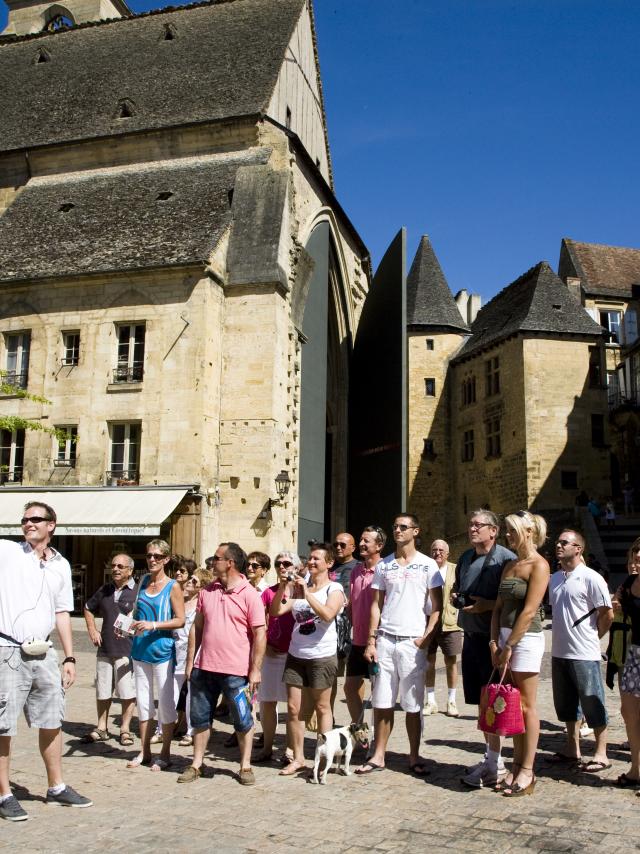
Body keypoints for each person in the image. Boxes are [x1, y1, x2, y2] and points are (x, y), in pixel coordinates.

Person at [0, 501, 92, 821]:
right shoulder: (8, 553)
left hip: (45, 654)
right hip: (9, 651)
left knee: (52, 720)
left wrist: (68, 656)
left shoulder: (61, 566)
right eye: (24, 519)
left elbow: (62, 612)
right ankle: (4, 793)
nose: (28, 524)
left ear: (51, 525)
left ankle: (56, 787)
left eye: (35, 519)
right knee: (3, 725)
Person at [359, 513, 443, 776]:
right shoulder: (384, 566)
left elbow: (437, 607)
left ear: (415, 532)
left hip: (412, 643)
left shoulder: (429, 565)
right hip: (385, 639)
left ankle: (414, 755)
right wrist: (372, 639)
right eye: (395, 526)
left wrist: (426, 638)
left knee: (413, 704)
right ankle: (379, 754)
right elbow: (376, 604)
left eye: (403, 527)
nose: (397, 530)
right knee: (382, 701)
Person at [179, 542, 266, 786]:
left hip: (235, 672)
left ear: (230, 563)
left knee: (242, 719)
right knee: (200, 718)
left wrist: (255, 670)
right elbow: (197, 627)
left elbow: (260, 633)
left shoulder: (249, 594)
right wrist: (190, 662)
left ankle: (245, 765)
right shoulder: (208, 591)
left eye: (217, 558)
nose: (212, 561)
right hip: (204, 667)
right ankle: (197, 763)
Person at [270, 543, 345, 777]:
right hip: (296, 654)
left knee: (322, 707)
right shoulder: (298, 587)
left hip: (321, 655)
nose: (311, 562)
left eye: (317, 559)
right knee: (293, 709)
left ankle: (323, 757)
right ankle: (299, 757)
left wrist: (308, 593)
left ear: (329, 563)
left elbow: (327, 614)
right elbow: (275, 611)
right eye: (310, 558)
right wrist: (284, 587)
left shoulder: (335, 588)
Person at [489, 511, 550, 796]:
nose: (507, 536)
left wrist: (510, 645)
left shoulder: (539, 565)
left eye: (512, 531)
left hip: (524, 639)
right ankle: (515, 765)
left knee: (526, 705)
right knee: (512, 705)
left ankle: (527, 769)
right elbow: (499, 606)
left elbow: (529, 610)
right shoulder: (511, 564)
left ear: (528, 532)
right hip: (503, 638)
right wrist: (493, 641)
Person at [456, 509, 516, 788]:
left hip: (493, 639)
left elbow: (513, 602)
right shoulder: (466, 557)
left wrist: (486, 606)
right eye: (470, 524)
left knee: (495, 701)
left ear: (493, 530)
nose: (472, 529)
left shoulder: (506, 559)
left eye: (478, 525)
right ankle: (492, 759)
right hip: (470, 635)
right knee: (482, 704)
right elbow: (461, 589)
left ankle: (498, 763)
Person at [549, 529, 613, 770]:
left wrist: (594, 637)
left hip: (584, 653)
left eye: (565, 542)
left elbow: (606, 614)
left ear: (578, 548)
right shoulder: (554, 578)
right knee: (566, 706)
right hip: (559, 652)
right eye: (558, 541)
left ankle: (601, 752)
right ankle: (572, 748)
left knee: (592, 701)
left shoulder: (592, 578)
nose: (559, 545)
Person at [127, 539, 185, 771]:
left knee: (165, 701)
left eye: (158, 556)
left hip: (162, 650)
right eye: (149, 555)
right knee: (142, 701)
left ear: (166, 559)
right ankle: (145, 751)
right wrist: (127, 626)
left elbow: (179, 620)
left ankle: (165, 752)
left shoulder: (173, 586)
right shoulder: (142, 581)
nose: (152, 560)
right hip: (139, 650)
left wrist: (153, 625)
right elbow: (136, 613)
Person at [83, 553, 138, 746]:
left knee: (126, 692)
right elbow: (88, 607)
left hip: (127, 650)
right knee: (103, 690)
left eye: (120, 566)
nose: (115, 569)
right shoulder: (105, 589)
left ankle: (125, 729)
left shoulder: (138, 592)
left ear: (130, 570)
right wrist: (92, 629)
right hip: (105, 648)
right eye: (113, 565)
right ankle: (102, 727)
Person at [254, 551, 300, 764]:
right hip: (272, 653)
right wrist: (264, 648)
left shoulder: (301, 591)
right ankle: (266, 746)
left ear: (296, 567)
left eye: (287, 563)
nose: (282, 566)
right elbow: (260, 622)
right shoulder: (268, 592)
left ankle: (291, 748)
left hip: (295, 654)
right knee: (267, 702)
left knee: (293, 706)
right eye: (278, 563)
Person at [343, 526, 386, 724]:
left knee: (379, 693)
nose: (361, 543)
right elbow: (352, 603)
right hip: (357, 639)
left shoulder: (385, 570)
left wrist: (375, 637)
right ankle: (359, 728)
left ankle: (378, 736)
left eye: (366, 540)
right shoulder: (356, 571)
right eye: (361, 539)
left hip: (378, 641)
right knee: (350, 687)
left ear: (379, 545)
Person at [174, 567, 213, 747]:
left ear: (202, 587)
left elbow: (197, 631)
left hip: (192, 653)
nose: (190, 582)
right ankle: (166, 726)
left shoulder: (201, 604)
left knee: (191, 694)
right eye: (190, 579)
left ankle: (191, 731)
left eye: (195, 581)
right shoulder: (179, 600)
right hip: (175, 651)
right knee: (173, 692)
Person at [424, 539, 462, 718]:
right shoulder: (425, 567)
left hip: (449, 622)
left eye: (441, 550)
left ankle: (452, 700)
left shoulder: (455, 570)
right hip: (426, 621)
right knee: (428, 661)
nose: (437, 552)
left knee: (451, 661)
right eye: (434, 549)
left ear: (447, 554)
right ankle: (430, 700)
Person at [615, 538, 640, 788]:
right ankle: (636, 769)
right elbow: (616, 607)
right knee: (631, 715)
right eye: (635, 555)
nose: (637, 558)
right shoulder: (629, 584)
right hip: (635, 654)